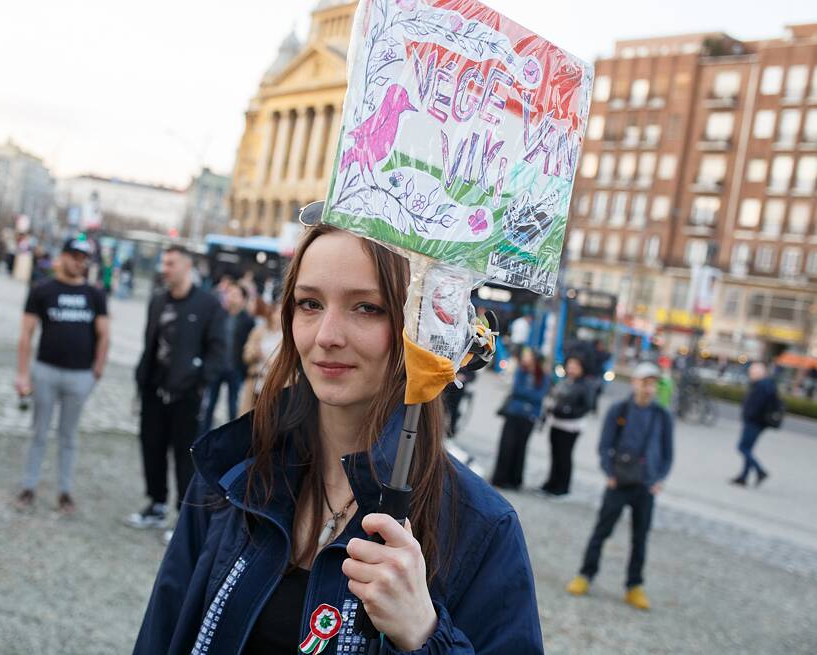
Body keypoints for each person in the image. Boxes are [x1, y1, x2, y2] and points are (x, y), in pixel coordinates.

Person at [133, 221, 543, 655]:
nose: (326, 336)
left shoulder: (480, 526)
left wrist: (424, 633)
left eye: (367, 308)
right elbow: (163, 631)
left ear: (423, 329)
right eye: (309, 303)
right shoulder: (235, 471)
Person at [128, 246, 225, 529]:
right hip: (154, 390)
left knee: (185, 456)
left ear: (186, 266)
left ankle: (182, 517)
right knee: (152, 447)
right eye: (163, 263)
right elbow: (150, 344)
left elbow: (218, 352)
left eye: (170, 263)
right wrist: (141, 380)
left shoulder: (208, 305)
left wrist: (199, 381)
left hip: (188, 396)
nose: (164, 269)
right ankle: (155, 504)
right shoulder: (158, 301)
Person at [566, 362, 673, 611]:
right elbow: (605, 444)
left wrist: (660, 479)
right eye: (645, 382)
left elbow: (668, 451)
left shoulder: (662, 415)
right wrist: (609, 471)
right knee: (602, 529)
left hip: (646, 484)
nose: (649, 388)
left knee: (640, 537)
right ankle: (585, 574)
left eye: (653, 384)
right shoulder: (620, 409)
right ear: (635, 383)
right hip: (620, 481)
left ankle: (634, 585)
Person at [14, 236, 109, 514]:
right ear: (63, 257)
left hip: (80, 376)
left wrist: (97, 372)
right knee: (39, 432)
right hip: (45, 371)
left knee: (68, 436)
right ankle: (28, 486)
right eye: (75, 256)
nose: (79, 262)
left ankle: (64, 491)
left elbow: (104, 336)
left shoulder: (95, 295)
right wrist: (23, 373)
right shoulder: (43, 290)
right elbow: (26, 334)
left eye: (84, 258)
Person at [200, 282, 255, 433]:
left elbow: (249, 345)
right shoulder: (218, 315)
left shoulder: (248, 321)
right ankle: (203, 436)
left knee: (233, 405)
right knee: (210, 403)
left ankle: (231, 437)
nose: (231, 297)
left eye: (236, 295)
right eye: (229, 293)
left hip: (235, 368)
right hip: (216, 367)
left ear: (243, 300)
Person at [491, 348, 548, 490]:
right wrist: (529, 396)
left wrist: (526, 395)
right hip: (514, 412)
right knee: (506, 445)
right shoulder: (520, 371)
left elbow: (539, 396)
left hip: (529, 417)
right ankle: (500, 478)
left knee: (521, 447)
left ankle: (515, 480)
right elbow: (517, 390)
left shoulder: (544, 376)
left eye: (529, 356)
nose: (525, 359)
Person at [540, 356, 591, 496]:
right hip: (556, 422)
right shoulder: (564, 381)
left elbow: (587, 406)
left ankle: (562, 487)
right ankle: (551, 482)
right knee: (555, 455)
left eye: (575, 366)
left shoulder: (585, 385)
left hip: (571, 426)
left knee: (564, 457)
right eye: (570, 365)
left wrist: (568, 411)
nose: (572, 368)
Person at [731, 362, 779, 487]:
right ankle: (743, 477)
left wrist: (749, 415)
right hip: (758, 422)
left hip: (754, 422)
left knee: (742, 447)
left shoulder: (762, 386)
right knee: (748, 449)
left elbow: (757, 406)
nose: (750, 375)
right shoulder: (766, 385)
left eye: (752, 373)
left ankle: (760, 471)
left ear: (758, 373)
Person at [240, 300, 283, 414]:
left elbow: (286, 364)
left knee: (269, 416)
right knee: (248, 416)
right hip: (255, 380)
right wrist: (254, 352)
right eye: (277, 312)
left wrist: (266, 358)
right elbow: (246, 355)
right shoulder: (259, 331)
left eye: (282, 313)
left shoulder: (288, 337)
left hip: (274, 384)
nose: (279, 316)